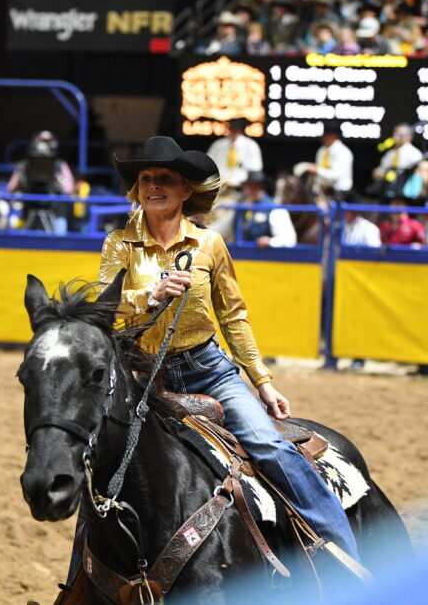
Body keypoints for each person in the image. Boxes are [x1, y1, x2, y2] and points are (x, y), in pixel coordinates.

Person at [100, 136, 360, 567]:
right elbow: (106, 307)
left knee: (271, 447)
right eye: (146, 178)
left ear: (186, 190)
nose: (153, 185)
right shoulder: (118, 244)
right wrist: (151, 294)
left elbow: (234, 316)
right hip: (144, 378)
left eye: (165, 178)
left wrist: (262, 381)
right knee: (101, 466)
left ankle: (343, 554)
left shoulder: (209, 245)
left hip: (208, 372)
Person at [239, 171, 297, 248]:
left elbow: (290, 240)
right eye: (248, 186)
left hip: (263, 257)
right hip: (240, 255)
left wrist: (270, 241)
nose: (250, 189)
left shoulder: (274, 209)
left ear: (261, 187)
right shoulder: (241, 206)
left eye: (254, 186)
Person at [206, 118, 263, 190]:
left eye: (236, 129)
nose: (234, 131)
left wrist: (235, 182)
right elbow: (207, 166)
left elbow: (256, 169)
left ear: (241, 130)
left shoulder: (251, 146)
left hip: (241, 188)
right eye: (232, 128)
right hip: (218, 187)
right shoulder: (218, 145)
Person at [304, 121, 353, 198]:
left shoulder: (343, 152)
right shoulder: (322, 150)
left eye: (326, 134)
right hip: (322, 193)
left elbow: (336, 175)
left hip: (340, 195)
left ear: (334, 135)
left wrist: (317, 170)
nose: (323, 137)